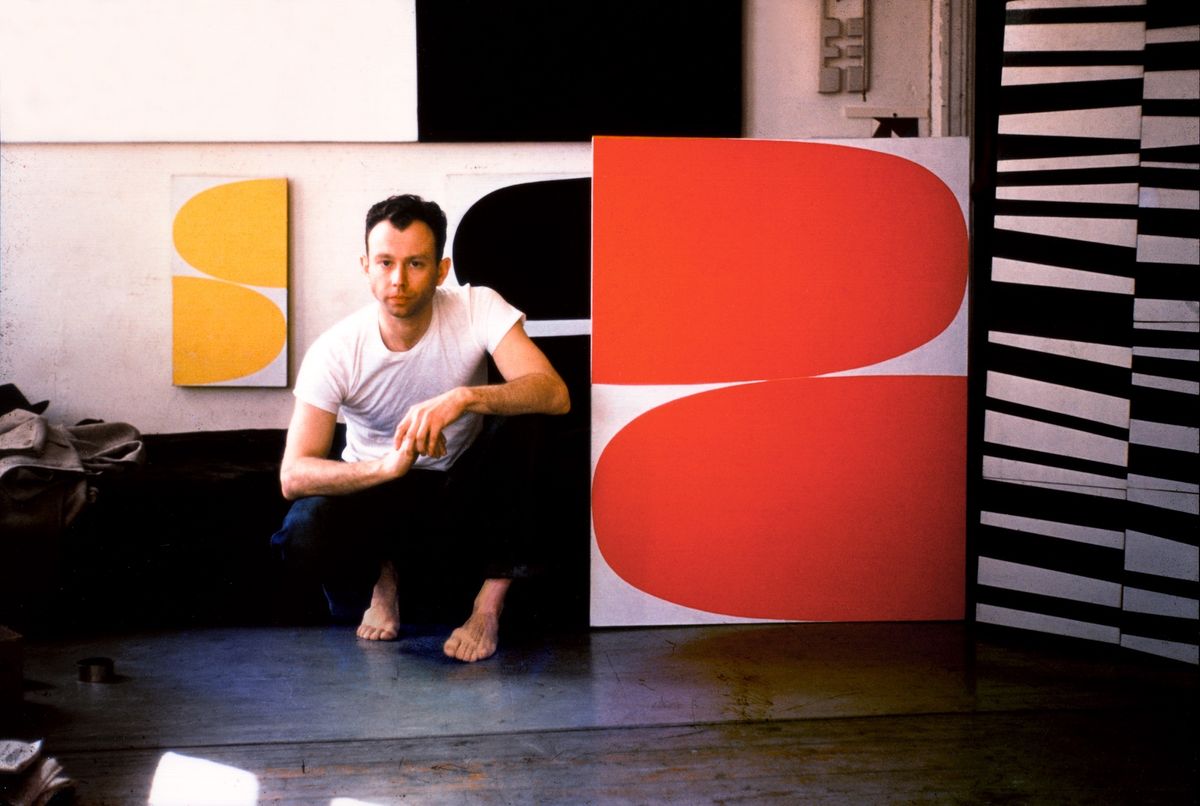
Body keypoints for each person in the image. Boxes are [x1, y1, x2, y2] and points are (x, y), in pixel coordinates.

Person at [272, 194, 569, 662]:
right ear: (366, 267)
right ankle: (382, 579)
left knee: (530, 418)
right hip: (379, 490)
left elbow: (554, 392)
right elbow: (294, 475)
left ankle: (487, 608)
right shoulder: (335, 350)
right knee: (302, 531)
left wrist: (465, 396)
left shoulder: (476, 306)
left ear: (441, 269)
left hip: (460, 489)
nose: (398, 280)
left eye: (415, 264)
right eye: (386, 263)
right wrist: (388, 467)